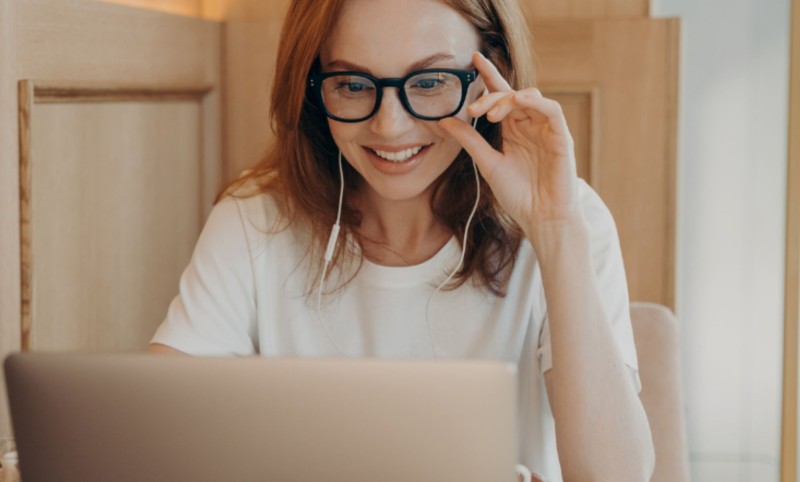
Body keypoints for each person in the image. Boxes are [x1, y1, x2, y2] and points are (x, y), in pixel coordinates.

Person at [149, 0, 655, 480]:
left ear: (490, 76)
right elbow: (155, 444)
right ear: (311, 88)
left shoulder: (570, 216)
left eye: (431, 80)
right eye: (351, 84)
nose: (389, 125)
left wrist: (556, 230)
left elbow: (614, 476)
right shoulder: (254, 219)